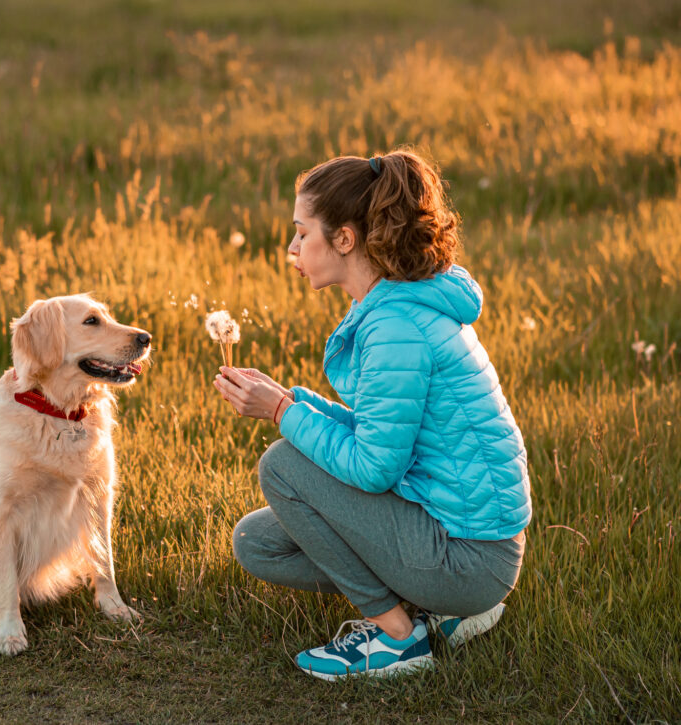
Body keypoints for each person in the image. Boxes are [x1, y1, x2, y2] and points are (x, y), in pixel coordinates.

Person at [212, 149, 531, 681]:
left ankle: (399, 637)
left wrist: (281, 414)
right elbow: (383, 438)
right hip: (448, 531)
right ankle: (434, 614)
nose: (291, 248)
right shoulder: (396, 308)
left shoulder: (396, 328)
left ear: (344, 239)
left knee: (280, 466)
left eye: (301, 233)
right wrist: (289, 400)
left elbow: (373, 469)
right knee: (258, 542)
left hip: (470, 560)